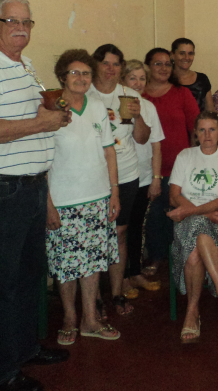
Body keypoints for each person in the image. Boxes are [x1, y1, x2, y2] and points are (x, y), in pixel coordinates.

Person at [0, 0, 70, 390]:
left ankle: (21, 350)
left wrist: (53, 117)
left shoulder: (25, 67)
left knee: (27, 278)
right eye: (12, 21)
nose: (21, 27)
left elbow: (31, 117)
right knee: (1, 285)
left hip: (30, 188)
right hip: (1, 191)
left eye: (27, 21)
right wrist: (40, 126)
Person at [45, 49, 121, 347]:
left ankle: (90, 318)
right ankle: (69, 318)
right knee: (66, 264)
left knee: (91, 263)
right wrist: (47, 203)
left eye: (86, 73)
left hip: (98, 197)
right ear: (62, 76)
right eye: (74, 73)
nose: (81, 78)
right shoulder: (49, 110)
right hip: (62, 200)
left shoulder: (98, 107)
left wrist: (114, 191)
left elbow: (109, 150)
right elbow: (41, 162)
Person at [167, 111, 218, 343]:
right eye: (202, 130)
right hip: (192, 222)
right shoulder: (185, 156)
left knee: (194, 253)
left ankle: (192, 312)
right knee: (197, 229)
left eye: (212, 129)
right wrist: (203, 213)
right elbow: (173, 195)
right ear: (196, 133)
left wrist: (191, 211)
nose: (207, 135)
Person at [87, 44, 150, 317]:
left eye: (116, 64)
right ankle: (94, 298)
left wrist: (137, 116)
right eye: (106, 63)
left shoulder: (130, 95)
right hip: (93, 174)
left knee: (120, 234)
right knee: (94, 236)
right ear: (96, 65)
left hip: (126, 173)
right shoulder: (84, 93)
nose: (111, 69)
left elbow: (142, 137)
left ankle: (116, 292)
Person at [142, 48, 199, 270]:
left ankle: (179, 257)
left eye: (167, 64)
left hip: (178, 167)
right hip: (147, 168)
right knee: (154, 216)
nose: (164, 68)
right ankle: (156, 257)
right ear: (148, 66)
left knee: (175, 212)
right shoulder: (139, 95)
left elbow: (195, 129)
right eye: (158, 64)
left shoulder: (181, 93)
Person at [120, 60, 164, 295]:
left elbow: (156, 145)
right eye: (132, 78)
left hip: (144, 177)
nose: (138, 83)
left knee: (137, 227)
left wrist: (156, 178)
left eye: (142, 78)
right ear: (123, 80)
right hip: (119, 178)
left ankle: (135, 273)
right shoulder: (110, 104)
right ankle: (122, 277)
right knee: (120, 230)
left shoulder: (148, 107)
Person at [171, 37, 215, 113]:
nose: (187, 58)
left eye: (190, 54)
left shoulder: (202, 79)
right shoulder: (167, 79)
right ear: (172, 55)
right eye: (182, 53)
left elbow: (210, 111)